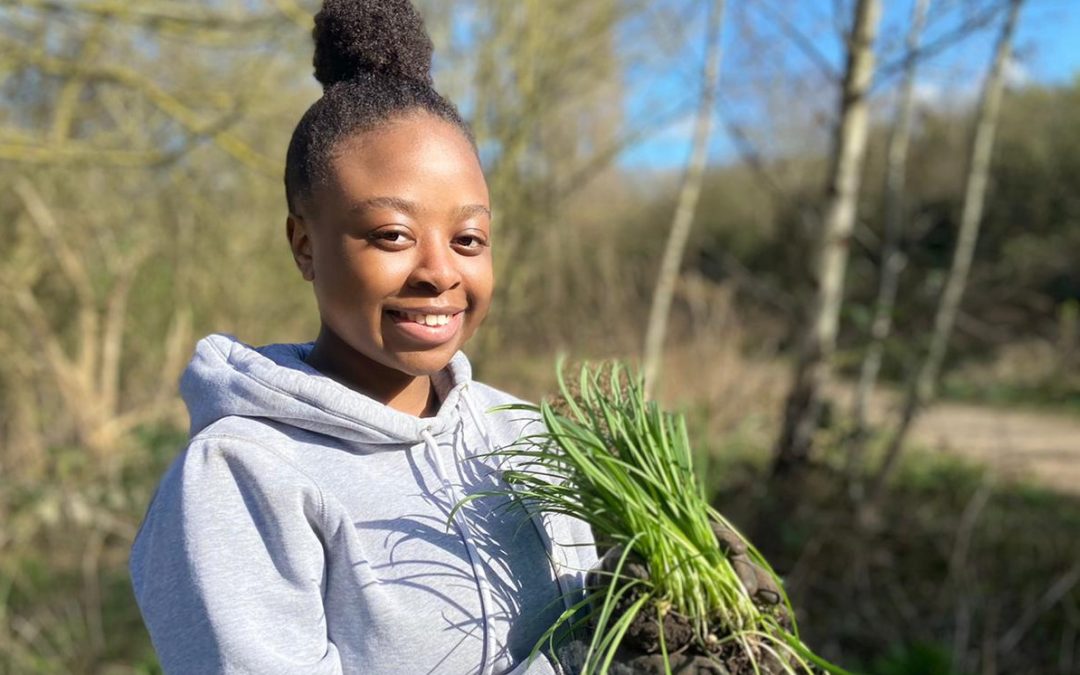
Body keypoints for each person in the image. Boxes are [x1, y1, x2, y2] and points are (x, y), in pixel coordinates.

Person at [128, 1, 596, 673]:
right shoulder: (243, 475)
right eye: (393, 235)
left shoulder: (525, 435)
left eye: (468, 238)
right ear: (304, 245)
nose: (440, 271)